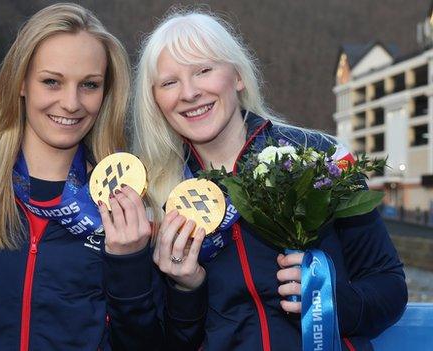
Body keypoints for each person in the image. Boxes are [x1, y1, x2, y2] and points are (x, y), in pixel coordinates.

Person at [132, 9, 408, 351]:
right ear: (155, 99)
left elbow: (390, 287)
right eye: (169, 82)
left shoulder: (320, 157)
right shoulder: (156, 197)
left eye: (203, 70)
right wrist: (186, 290)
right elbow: (161, 340)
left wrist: (333, 303)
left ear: (237, 76)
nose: (189, 92)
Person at [0, 3, 161, 350]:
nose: (71, 103)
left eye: (89, 84)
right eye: (52, 82)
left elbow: (145, 342)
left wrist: (129, 264)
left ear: (106, 93)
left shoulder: (126, 206)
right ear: (21, 82)